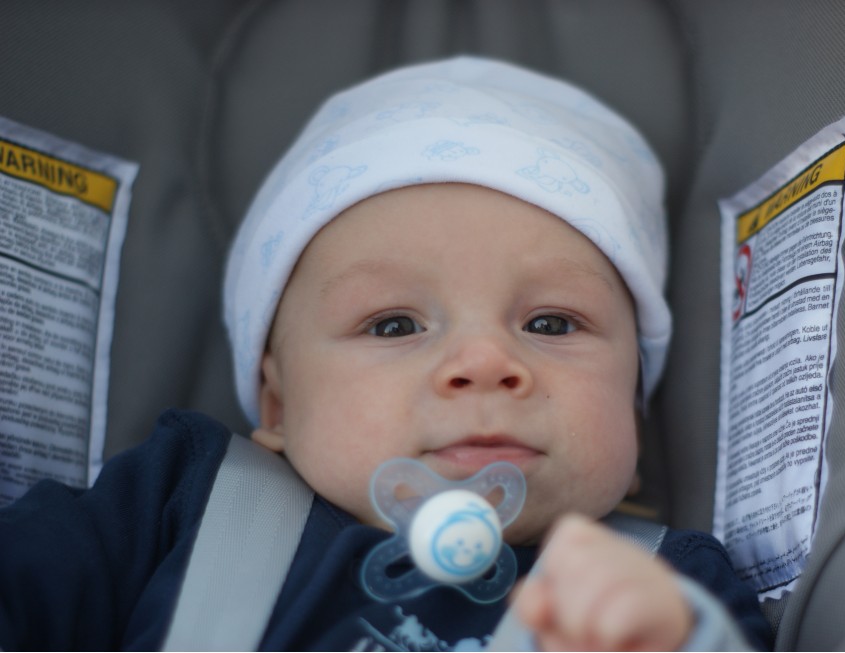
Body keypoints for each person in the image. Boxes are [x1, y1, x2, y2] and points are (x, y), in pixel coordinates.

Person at [0, 56, 772, 651]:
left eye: (552, 322)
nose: (483, 361)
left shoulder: (673, 584)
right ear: (278, 404)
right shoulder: (170, 501)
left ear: (633, 408)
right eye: (395, 325)